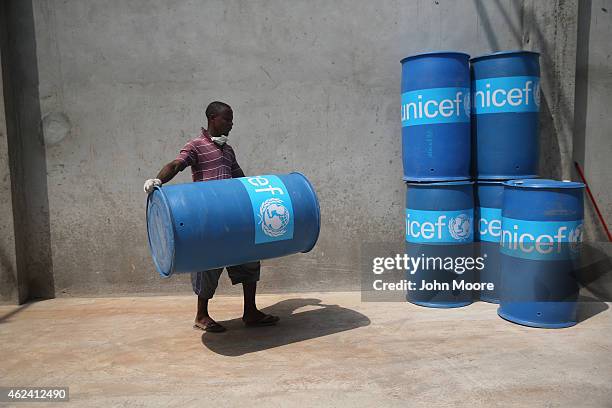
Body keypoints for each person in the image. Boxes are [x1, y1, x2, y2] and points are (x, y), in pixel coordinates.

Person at [144, 101, 279, 333]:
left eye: (232, 119)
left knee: (249, 259)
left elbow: (240, 179)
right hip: (208, 218)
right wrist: (158, 181)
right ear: (212, 118)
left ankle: (250, 312)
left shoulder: (228, 150)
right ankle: (201, 315)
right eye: (227, 119)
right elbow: (178, 164)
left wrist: (256, 197)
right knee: (207, 267)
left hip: (233, 217)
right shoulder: (195, 146)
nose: (231, 124)